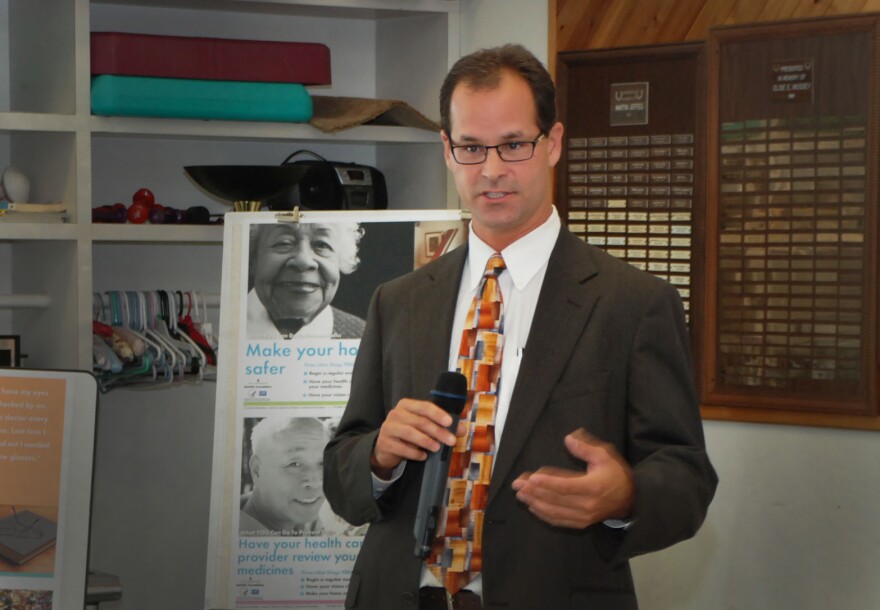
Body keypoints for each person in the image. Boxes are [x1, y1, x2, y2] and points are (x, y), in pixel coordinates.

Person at [323, 44, 717, 610]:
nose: (491, 170)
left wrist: (626, 493)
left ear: (553, 143)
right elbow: (342, 478)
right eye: (471, 148)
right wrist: (379, 457)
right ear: (447, 150)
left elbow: (687, 479)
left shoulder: (633, 303)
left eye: (513, 144)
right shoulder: (398, 301)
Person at [246, 222, 366, 339]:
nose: (303, 261)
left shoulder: (364, 336)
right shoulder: (228, 326)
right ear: (253, 259)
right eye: (283, 243)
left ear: (340, 261)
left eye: (322, 245)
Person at [240, 416, 330, 536]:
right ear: (257, 471)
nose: (315, 482)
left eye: (322, 463)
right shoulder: (231, 536)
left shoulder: (314, 524)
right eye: (295, 464)